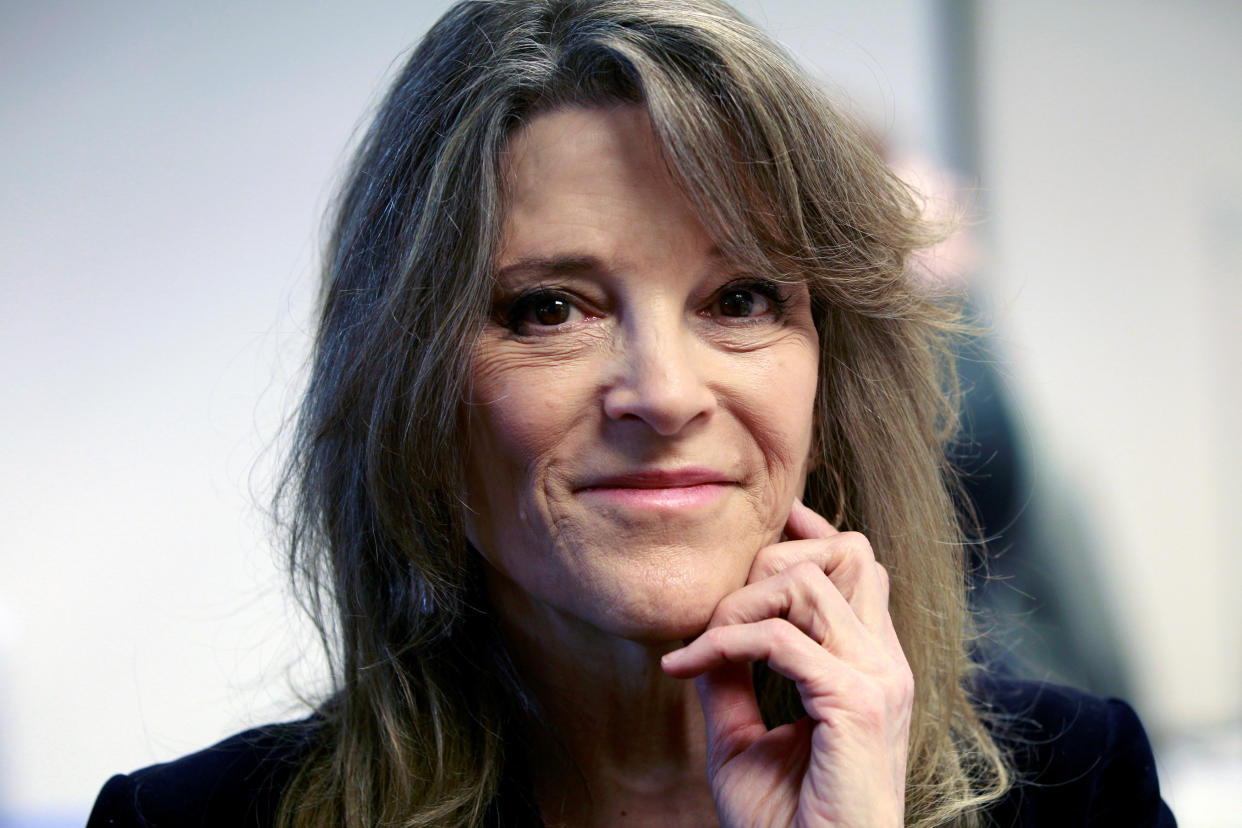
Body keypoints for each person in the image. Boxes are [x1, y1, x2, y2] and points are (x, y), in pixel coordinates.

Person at [87, 1, 1175, 826]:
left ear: (827, 373)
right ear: (411, 387)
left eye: (741, 299)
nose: (661, 393)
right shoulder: (181, 822)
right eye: (549, 308)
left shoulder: (1079, 789)